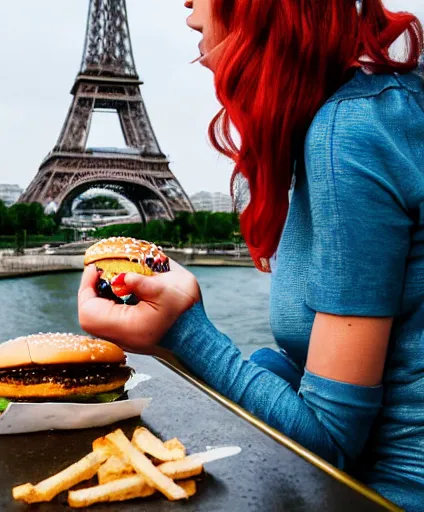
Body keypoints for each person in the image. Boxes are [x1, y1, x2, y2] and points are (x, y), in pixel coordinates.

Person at [78, 0, 424, 509]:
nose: (188, 4)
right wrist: (269, 369)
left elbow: (329, 450)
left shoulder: (348, 133)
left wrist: (181, 331)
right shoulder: (381, 109)